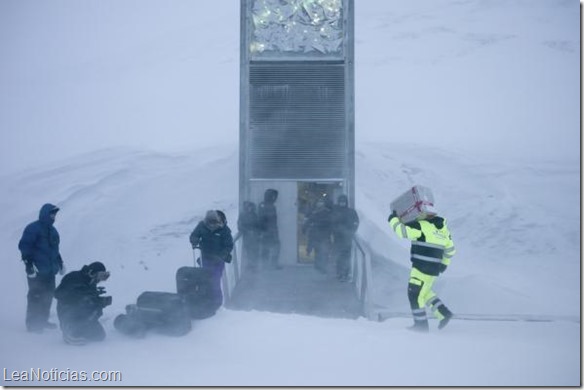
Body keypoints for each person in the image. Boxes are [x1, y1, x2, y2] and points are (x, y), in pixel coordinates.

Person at [388, 209, 456, 332]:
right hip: (434, 269)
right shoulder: (443, 230)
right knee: (424, 292)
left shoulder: (422, 225)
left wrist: (393, 219)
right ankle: (443, 313)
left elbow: (403, 232)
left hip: (420, 267)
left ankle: (421, 325)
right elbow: (451, 250)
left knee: (414, 294)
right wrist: (444, 264)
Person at [18, 203, 66, 333]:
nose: (54, 216)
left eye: (55, 214)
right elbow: (24, 246)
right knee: (36, 296)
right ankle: (32, 324)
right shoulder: (33, 228)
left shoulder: (53, 231)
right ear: (45, 213)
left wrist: (60, 262)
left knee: (48, 295)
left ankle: (42, 320)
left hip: (50, 271)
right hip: (36, 270)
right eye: (52, 213)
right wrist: (28, 264)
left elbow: (55, 250)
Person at [54, 261, 112, 345]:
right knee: (81, 306)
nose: (99, 280)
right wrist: (83, 296)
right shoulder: (73, 277)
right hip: (67, 311)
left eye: (103, 277)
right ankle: (69, 331)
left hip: (82, 314)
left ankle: (80, 328)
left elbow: (90, 302)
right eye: (99, 276)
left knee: (99, 336)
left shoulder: (91, 283)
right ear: (91, 272)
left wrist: (100, 302)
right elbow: (57, 294)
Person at [189, 210, 234, 311]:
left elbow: (229, 245)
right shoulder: (202, 226)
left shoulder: (225, 230)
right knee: (204, 280)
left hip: (218, 260)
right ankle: (206, 300)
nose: (212, 226)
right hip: (205, 258)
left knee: (215, 281)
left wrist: (221, 256)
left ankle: (217, 304)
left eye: (214, 223)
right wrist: (194, 240)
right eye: (210, 223)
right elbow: (194, 235)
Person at [331, 195, 360, 282]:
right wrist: (335, 232)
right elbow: (332, 224)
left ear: (346, 202)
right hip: (338, 238)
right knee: (340, 257)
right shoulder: (335, 212)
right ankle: (340, 273)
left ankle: (345, 273)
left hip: (347, 238)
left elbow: (356, 222)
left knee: (346, 257)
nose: (342, 203)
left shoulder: (351, 212)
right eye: (341, 201)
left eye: (343, 201)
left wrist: (352, 231)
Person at [303, 198, 333, 274]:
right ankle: (318, 266)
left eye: (321, 202)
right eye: (319, 202)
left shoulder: (327, 213)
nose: (320, 204)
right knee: (318, 251)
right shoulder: (315, 212)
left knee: (323, 251)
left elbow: (331, 223)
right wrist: (304, 228)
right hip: (317, 235)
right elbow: (308, 221)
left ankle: (321, 267)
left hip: (324, 235)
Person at [258, 189, 281, 269]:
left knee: (269, 248)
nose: (275, 198)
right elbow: (262, 219)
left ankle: (268, 265)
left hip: (269, 230)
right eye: (274, 197)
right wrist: (264, 231)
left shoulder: (265, 205)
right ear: (271, 197)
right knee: (272, 247)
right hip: (268, 231)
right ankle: (269, 265)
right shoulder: (267, 206)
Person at [237, 201, 260, 271]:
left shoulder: (254, 215)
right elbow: (239, 226)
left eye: (251, 207)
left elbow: (258, 225)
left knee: (254, 251)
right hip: (247, 236)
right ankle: (250, 265)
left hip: (254, 236)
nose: (250, 208)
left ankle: (253, 265)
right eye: (248, 207)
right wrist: (247, 231)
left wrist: (257, 232)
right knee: (248, 251)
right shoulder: (242, 215)